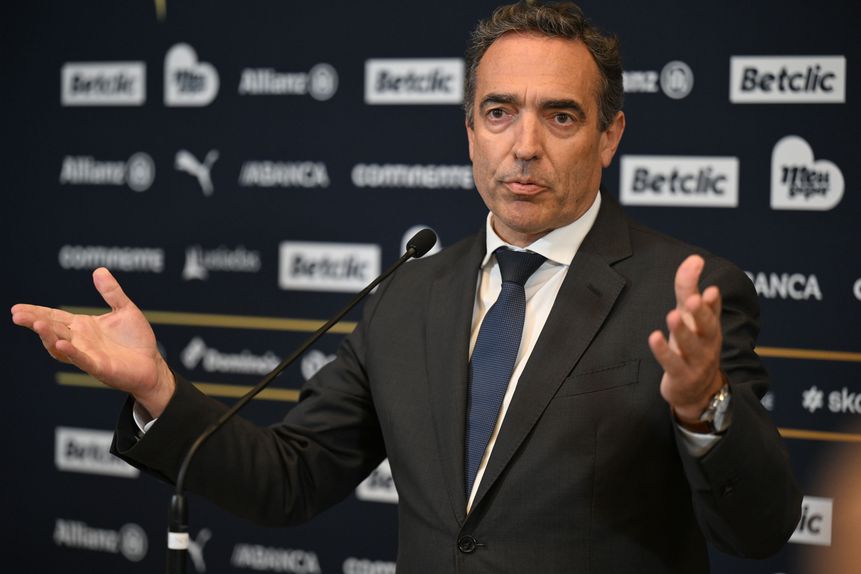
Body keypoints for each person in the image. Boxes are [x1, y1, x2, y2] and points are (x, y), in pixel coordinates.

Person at [11, 1, 801, 572]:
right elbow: (290, 479)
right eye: (499, 112)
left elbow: (759, 530)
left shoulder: (685, 295)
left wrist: (703, 408)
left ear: (608, 135)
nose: (524, 145)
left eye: (560, 117)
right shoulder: (410, 294)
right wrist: (156, 388)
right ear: (470, 130)